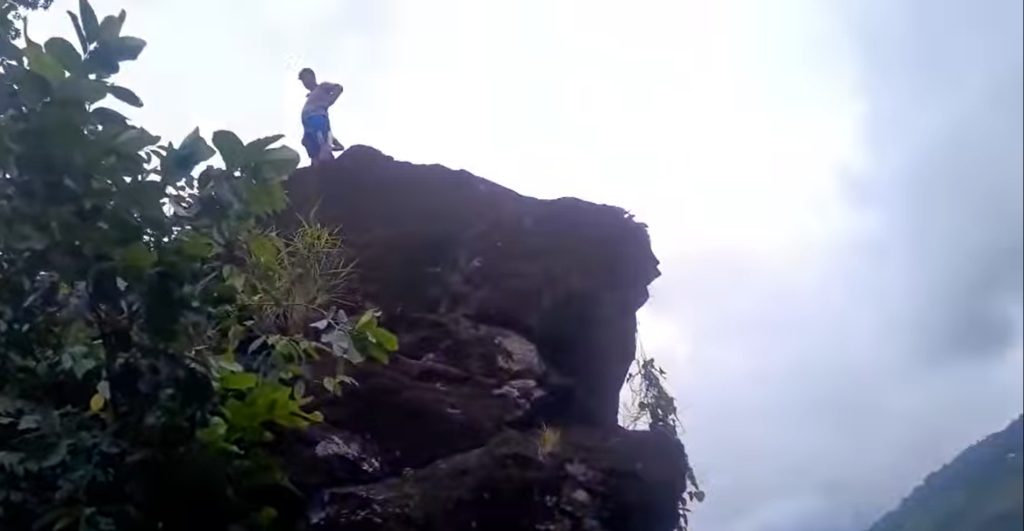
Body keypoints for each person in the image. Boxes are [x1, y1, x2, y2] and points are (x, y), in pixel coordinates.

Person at [298, 67, 344, 165]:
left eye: (306, 78)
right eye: (303, 81)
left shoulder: (322, 87)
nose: (305, 83)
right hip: (308, 124)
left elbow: (338, 88)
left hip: (317, 117)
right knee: (309, 144)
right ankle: (316, 163)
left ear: (312, 76)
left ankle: (327, 159)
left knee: (322, 144)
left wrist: (330, 100)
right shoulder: (310, 95)